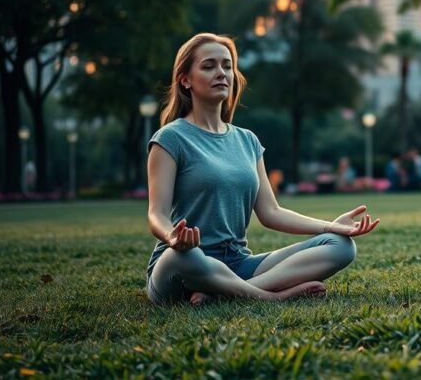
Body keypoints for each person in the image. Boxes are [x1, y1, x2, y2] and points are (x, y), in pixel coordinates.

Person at [145, 33, 380, 305]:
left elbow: (271, 212)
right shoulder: (170, 139)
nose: (221, 73)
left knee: (340, 247)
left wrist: (331, 226)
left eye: (227, 66)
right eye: (209, 66)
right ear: (185, 80)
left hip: (237, 262)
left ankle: (222, 293)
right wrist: (173, 237)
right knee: (189, 256)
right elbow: (156, 214)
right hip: (181, 265)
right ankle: (267, 297)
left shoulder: (247, 140)